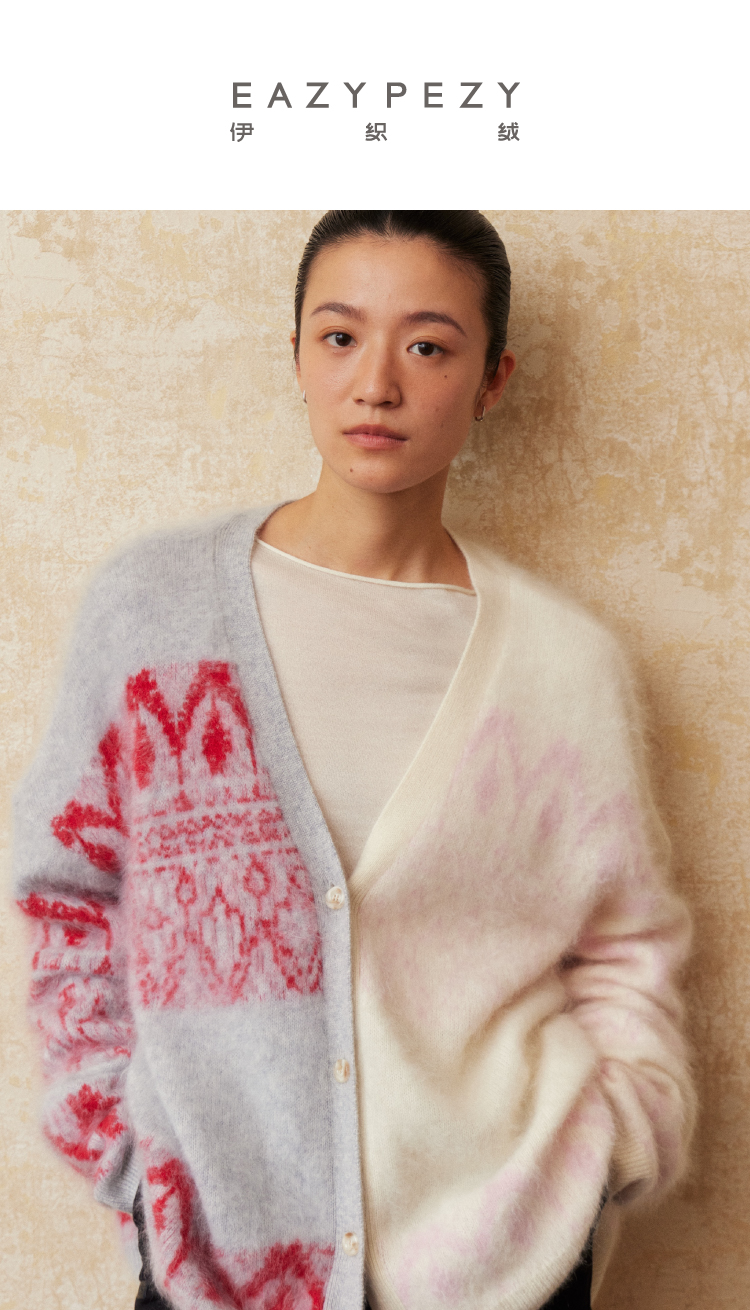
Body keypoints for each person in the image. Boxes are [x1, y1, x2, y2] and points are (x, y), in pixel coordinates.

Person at [14, 211, 695, 1310]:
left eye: (428, 345)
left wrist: (612, 1143)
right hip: (213, 1257)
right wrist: (124, 1151)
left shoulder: (564, 665)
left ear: (492, 378)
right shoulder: (155, 610)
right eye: (340, 337)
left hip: (507, 1261)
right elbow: (68, 892)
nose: (377, 384)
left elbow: (626, 946)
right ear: (295, 354)